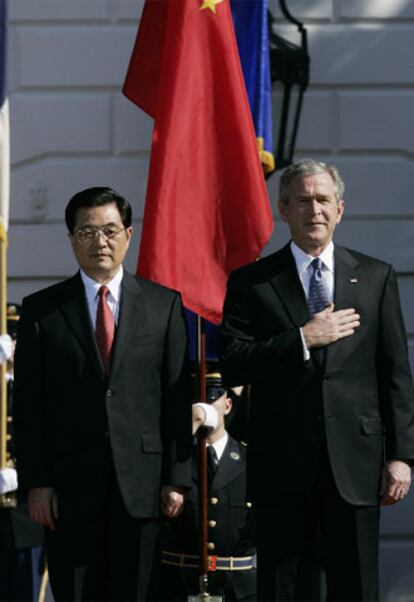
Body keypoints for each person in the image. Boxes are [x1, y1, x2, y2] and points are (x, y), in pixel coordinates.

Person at [220, 159, 414, 601]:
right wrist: (302, 339)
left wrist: (402, 456)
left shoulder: (374, 276)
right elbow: (233, 363)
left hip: (357, 465)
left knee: (357, 585)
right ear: (283, 210)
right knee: (285, 587)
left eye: (324, 199)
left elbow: (395, 373)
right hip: (282, 465)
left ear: (340, 209)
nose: (315, 210)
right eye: (303, 200)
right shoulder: (252, 282)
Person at [13, 187, 192, 601]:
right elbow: (28, 406)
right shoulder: (42, 311)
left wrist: (177, 480)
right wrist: (37, 483)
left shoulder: (163, 306)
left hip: (144, 488)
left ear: (128, 235)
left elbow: (175, 397)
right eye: (87, 232)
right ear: (72, 239)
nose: (100, 242)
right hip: (68, 489)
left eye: (110, 231)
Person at [160, 371, 256, 601]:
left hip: (238, 589)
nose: (205, 407)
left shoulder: (249, 459)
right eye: (197, 402)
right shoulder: (174, 463)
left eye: (212, 399)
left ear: (228, 405)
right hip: (183, 585)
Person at [0, 304, 44, 602]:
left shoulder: (37, 385)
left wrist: (23, 472)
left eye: (18, 339)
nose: (13, 346)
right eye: (9, 339)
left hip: (26, 516)